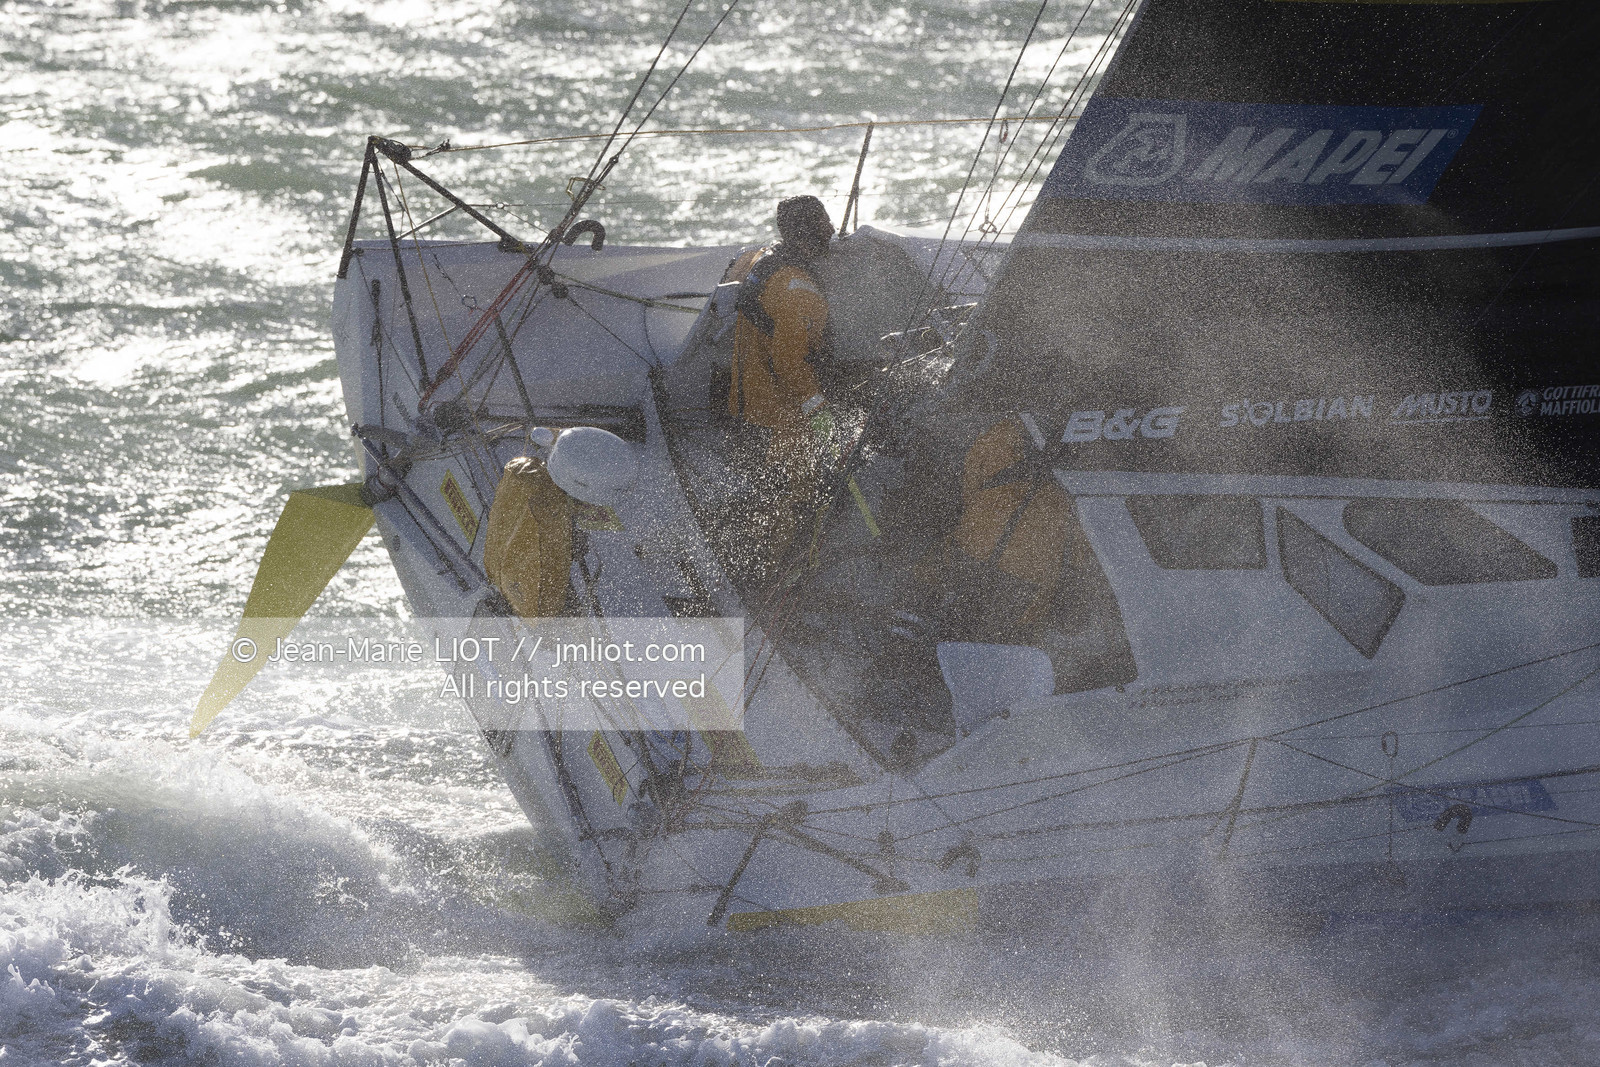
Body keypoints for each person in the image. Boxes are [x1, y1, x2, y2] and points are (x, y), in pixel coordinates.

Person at [727, 195, 838, 573]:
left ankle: (755, 558)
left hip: (747, 400)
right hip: (780, 417)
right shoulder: (800, 292)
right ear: (809, 232)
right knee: (792, 497)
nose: (834, 230)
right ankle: (775, 575)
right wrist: (820, 410)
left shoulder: (764, 259)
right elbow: (790, 362)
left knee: (766, 492)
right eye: (825, 222)